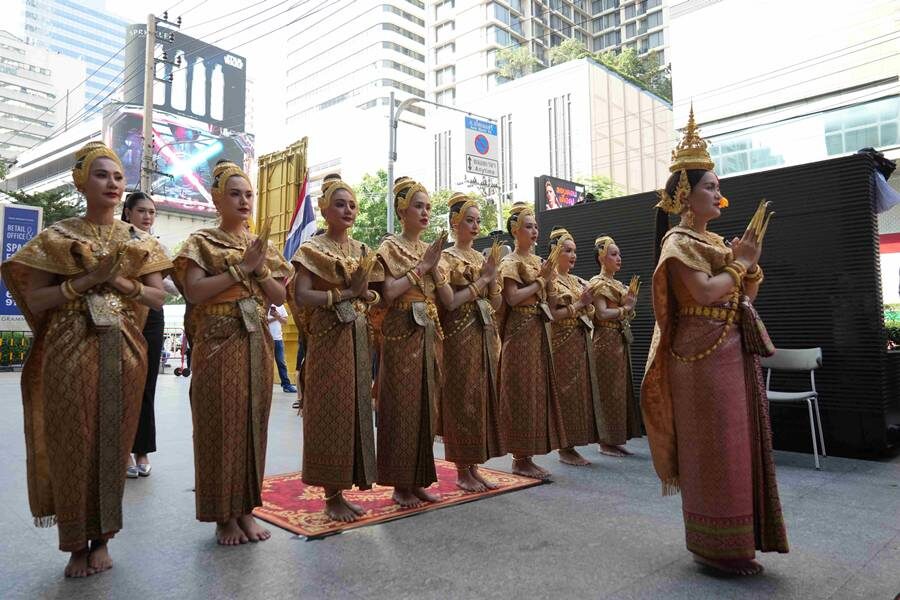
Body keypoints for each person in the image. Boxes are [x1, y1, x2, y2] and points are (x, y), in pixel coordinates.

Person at [0, 142, 171, 577]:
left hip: (124, 348)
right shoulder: (58, 238)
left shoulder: (139, 241)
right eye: (101, 175)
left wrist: (118, 282)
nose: (112, 183)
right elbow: (35, 298)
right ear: (81, 182)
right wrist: (84, 282)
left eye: (117, 176)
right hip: (68, 346)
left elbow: (156, 297)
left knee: (114, 442)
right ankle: (76, 543)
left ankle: (104, 539)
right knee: (73, 440)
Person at [641, 109, 788, 576]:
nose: (718, 194)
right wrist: (740, 264)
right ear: (685, 195)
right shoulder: (678, 242)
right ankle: (713, 546)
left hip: (729, 350)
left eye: (718, 186)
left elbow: (743, 297)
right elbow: (705, 292)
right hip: (700, 357)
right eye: (710, 187)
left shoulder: (718, 244)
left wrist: (747, 263)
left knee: (737, 443)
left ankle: (738, 541)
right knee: (714, 446)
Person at [174, 161, 293, 545]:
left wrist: (259, 270)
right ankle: (222, 516)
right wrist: (241, 270)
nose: (244, 201)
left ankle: (246, 510)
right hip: (217, 341)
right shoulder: (201, 242)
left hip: (255, 340)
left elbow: (279, 296)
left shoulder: (262, 246)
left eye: (248, 195)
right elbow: (194, 291)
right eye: (235, 194)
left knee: (254, 424)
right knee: (219, 425)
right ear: (216, 199)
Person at [289, 175, 384, 522]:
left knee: (355, 410)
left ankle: (343, 488)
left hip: (358, 337)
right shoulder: (312, 249)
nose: (348, 210)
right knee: (331, 410)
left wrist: (364, 294)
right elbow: (301, 295)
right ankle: (331, 495)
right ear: (325, 209)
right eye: (340, 204)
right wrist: (345, 294)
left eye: (352, 205)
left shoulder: (362, 250)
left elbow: (373, 295)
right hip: (329, 340)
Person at [375, 176, 452, 507]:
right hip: (401, 330)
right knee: (402, 406)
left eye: (428, 207)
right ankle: (399, 484)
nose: (425, 212)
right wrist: (422, 268)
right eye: (418, 206)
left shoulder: (431, 251)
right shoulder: (390, 248)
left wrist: (435, 268)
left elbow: (446, 299)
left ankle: (419, 478)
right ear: (401, 210)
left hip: (429, 331)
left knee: (427, 406)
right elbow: (387, 294)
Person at [437, 192, 505, 492]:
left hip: (484, 334)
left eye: (478, 221)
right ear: (455, 222)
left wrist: (492, 279)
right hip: (458, 335)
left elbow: (497, 304)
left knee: (480, 399)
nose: (476, 226)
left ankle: (474, 466)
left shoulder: (482, 259)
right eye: (469, 220)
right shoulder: (446, 258)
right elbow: (450, 302)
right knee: (461, 399)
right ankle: (462, 469)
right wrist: (483, 280)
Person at [497, 203, 568, 479]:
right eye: (528, 226)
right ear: (515, 230)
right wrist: (540, 281)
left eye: (536, 226)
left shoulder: (541, 262)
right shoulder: (510, 262)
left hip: (538, 329)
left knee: (536, 390)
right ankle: (519, 457)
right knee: (521, 390)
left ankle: (528, 455)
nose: (534, 231)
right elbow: (513, 298)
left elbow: (550, 300)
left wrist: (557, 291)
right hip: (519, 331)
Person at [121, 191, 180, 478]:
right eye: (141, 211)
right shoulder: (115, 239)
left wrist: (161, 278)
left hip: (152, 316)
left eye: (152, 212)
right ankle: (121, 450)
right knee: (119, 382)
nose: (147, 216)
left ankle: (142, 450)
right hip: (120, 313)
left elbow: (172, 287)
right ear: (128, 212)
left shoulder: (158, 246)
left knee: (146, 383)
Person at [546, 228, 600, 466]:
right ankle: (564, 447)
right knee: (565, 392)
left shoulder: (577, 281)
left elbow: (591, 311)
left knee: (579, 392)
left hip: (580, 340)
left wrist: (586, 305)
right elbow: (551, 314)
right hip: (561, 341)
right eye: (567, 250)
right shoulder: (551, 280)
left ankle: (573, 443)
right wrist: (579, 304)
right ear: (555, 252)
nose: (573, 255)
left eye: (574, 251)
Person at [589, 235, 642, 457]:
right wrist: (625, 309)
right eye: (613, 254)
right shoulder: (598, 283)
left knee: (619, 390)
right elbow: (601, 314)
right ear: (602, 257)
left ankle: (615, 438)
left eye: (619, 254)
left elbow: (626, 314)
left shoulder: (619, 285)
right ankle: (605, 441)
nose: (618, 258)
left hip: (619, 339)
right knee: (608, 390)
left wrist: (629, 308)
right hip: (605, 341)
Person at [267, 304, 297, 393]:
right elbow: (261, 321)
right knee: (266, 363)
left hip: (278, 339)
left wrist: (277, 316)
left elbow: (285, 321)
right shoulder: (264, 304)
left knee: (281, 363)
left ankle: (286, 385)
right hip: (266, 339)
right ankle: (265, 386)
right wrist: (275, 317)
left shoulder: (280, 306)